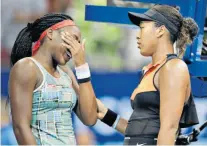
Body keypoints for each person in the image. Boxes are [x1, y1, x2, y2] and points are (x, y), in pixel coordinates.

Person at [96, 5, 199, 145]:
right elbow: (141, 133)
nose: (138, 36)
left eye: (142, 28)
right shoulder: (148, 71)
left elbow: (169, 129)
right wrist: (105, 114)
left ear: (160, 30)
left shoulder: (173, 67)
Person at [9, 13, 97, 145]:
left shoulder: (66, 73)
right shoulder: (27, 67)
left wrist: (81, 66)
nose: (76, 48)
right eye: (73, 39)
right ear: (50, 33)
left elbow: (90, 118)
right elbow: (21, 127)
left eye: (79, 43)